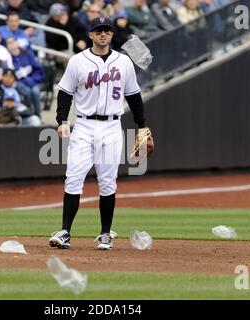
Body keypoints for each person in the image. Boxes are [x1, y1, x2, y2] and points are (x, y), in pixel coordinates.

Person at [49, 16, 152, 250]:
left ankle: (105, 234)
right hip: (84, 125)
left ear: (112, 35)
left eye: (107, 31)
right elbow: (65, 92)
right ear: (91, 35)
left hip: (112, 126)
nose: (103, 34)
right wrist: (62, 120)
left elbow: (133, 96)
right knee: (73, 178)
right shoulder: (77, 61)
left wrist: (142, 124)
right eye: (98, 31)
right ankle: (65, 232)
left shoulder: (124, 62)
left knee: (108, 182)